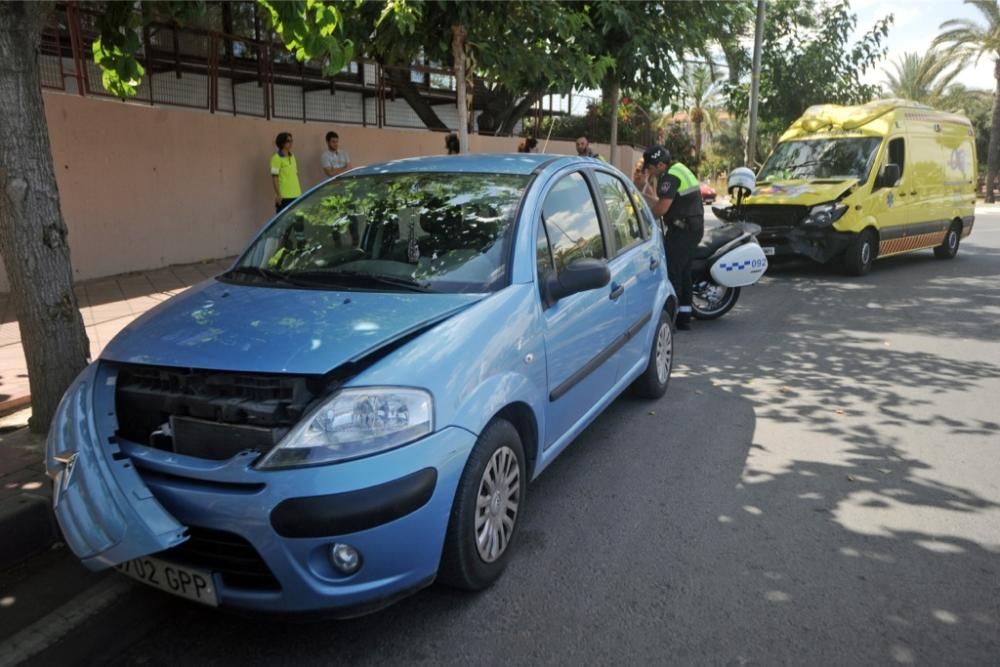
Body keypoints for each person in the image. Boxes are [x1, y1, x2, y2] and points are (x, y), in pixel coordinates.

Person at [633, 144, 704, 330]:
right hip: (690, 229)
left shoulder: (670, 177)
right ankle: (684, 316)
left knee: (672, 272)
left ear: (660, 165)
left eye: (650, 167)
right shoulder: (679, 169)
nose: (649, 170)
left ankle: (671, 320)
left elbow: (662, 208)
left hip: (682, 231)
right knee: (684, 272)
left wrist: (643, 220)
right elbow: (666, 203)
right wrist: (644, 190)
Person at [270, 131, 301, 213]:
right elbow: (274, 177)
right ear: (282, 143)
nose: (291, 143)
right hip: (285, 197)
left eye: (291, 141)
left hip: (297, 194)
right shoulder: (276, 158)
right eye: (288, 141)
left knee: (298, 223)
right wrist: (279, 195)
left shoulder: (293, 156)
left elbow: (295, 174)